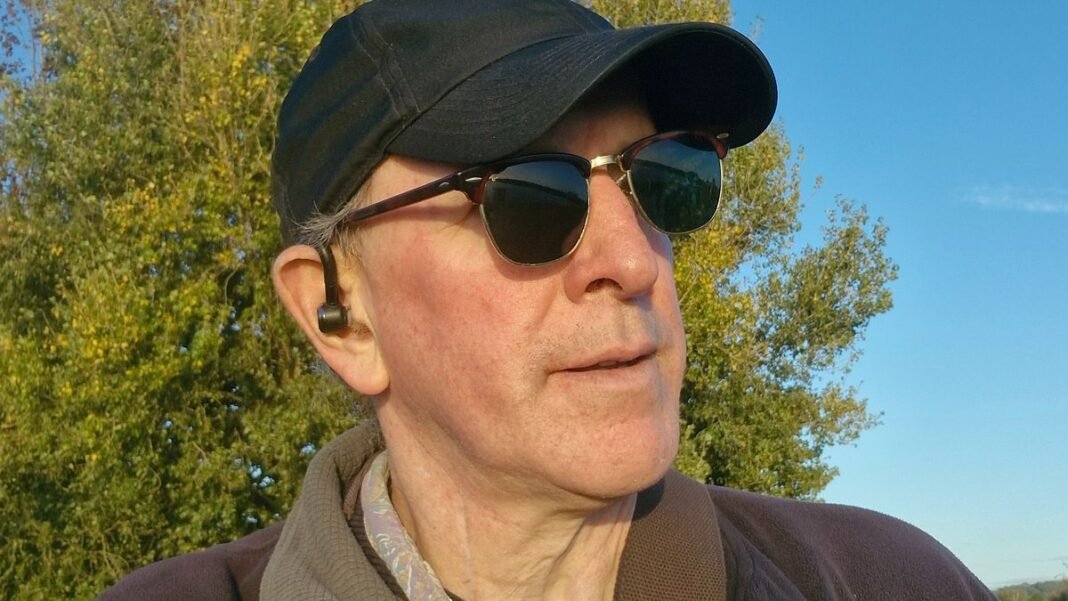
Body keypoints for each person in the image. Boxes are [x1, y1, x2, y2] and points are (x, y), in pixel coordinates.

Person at [100, 1, 997, 600]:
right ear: (341, 313)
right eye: (527, 195)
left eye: (665, 177)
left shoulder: (888, 580)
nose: (635, 260)